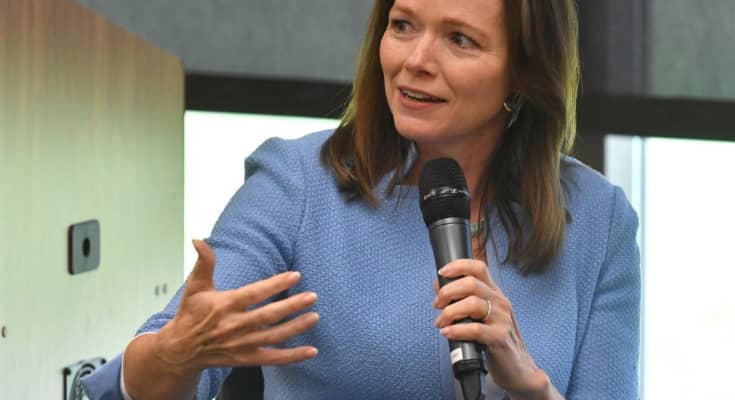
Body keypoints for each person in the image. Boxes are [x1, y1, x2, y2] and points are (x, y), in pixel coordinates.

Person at [83, 0, 640, 398]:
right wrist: (175, 351)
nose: (415, 60)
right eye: (403, 26)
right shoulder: (298, 183)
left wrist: (531, 386)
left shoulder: (599, 220)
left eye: (459, 39)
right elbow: (144, 373)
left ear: (522, 72)